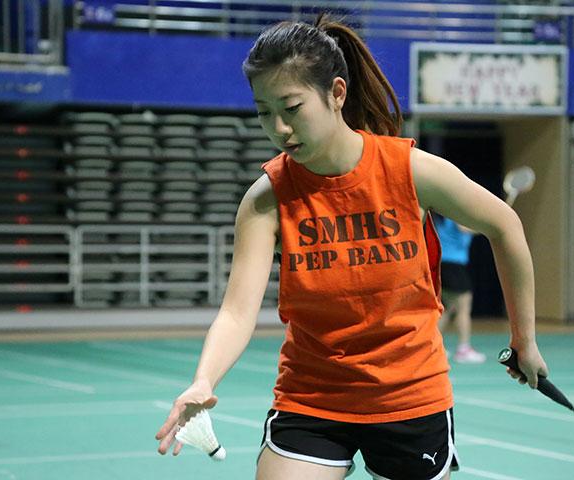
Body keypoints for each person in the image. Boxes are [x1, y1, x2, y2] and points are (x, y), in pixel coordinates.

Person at [155, 14, 547, 480]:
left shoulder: (410, 171)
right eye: (264, 111)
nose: (278, 127)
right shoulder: (267, 199)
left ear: (336, 94)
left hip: (409, 395)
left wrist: (524, 339)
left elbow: (505, 226)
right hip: (312, 397)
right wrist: (204, 379)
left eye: (292, 107)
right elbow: (237, 312)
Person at [434, 213, 487, 364]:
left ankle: (431, 344)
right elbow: (464, 228)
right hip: (454, 265)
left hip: (442, 263)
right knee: (464, 308)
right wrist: (491, 226)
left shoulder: (442, 213)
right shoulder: (454, 214)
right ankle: (463, 349)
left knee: (448, 308)